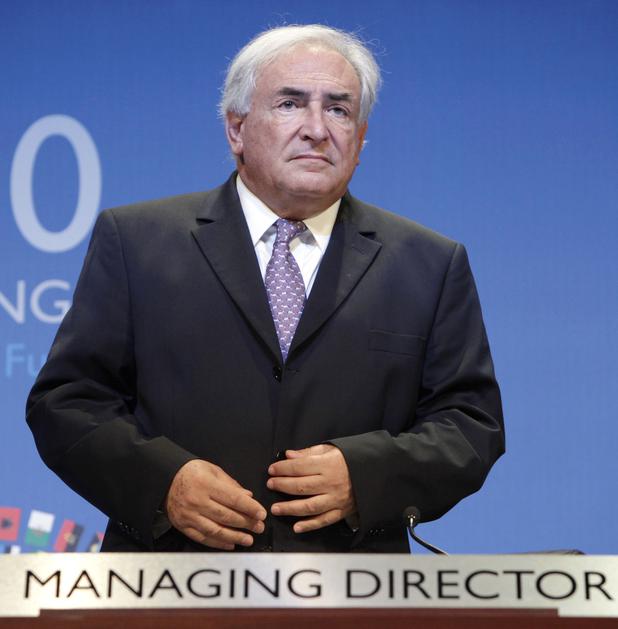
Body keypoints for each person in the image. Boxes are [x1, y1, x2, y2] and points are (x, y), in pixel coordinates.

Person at [26, 24, 504, 553]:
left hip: (353, 583)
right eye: (290, 104)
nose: (316, 129)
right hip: (170, 577)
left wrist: (366, 477)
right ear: (236, 129)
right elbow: (67, 403)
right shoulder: (135, 241)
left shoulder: (429, 264)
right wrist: (162, 484)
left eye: (339, 110)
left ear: (361, 139)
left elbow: (470, 426)